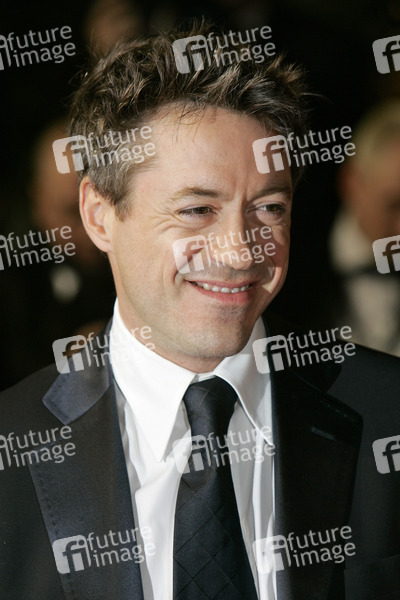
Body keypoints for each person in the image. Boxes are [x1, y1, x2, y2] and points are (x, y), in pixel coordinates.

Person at [0, 22, 399, 600]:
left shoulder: (388, 412)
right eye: (197, 210)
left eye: (269, 208)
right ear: (99, 214)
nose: (240, 252)